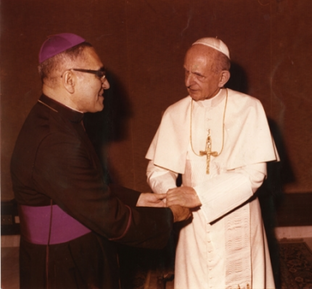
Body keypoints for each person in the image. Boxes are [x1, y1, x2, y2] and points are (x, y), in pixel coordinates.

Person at [10, 33, 190, 289]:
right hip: (64, 267)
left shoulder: (57, 120)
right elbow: (112, 220)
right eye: (99, 75)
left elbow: (83, 187)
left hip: (78, 253)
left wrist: (138, 199)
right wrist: (170, 217)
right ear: (70, 80)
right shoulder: (54, 140)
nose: (105, 84)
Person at [146, 37, 280, 289]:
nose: (188, 82)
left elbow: (254, 174)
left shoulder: (249, 109)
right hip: (192, 223)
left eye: (198, 75)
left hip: (239, 217)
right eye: (185, 72)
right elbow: (157, 168)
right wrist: (172, 196)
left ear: (222, 78)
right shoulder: (174, 112)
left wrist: (198, 195)